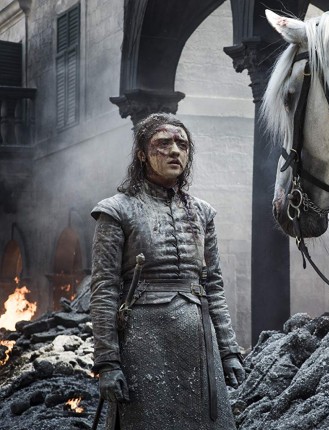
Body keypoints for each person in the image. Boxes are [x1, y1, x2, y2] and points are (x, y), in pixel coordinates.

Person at [90, 112, 245, 429]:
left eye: (182, 145)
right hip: (143, 345)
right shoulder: (116, 210)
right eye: (163, 143)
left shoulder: (202, 213)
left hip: (198, 341)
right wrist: (107, 362)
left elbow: (214, 287)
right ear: (142, 154)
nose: (175, 151)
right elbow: (104, 289)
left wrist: (228, 351)